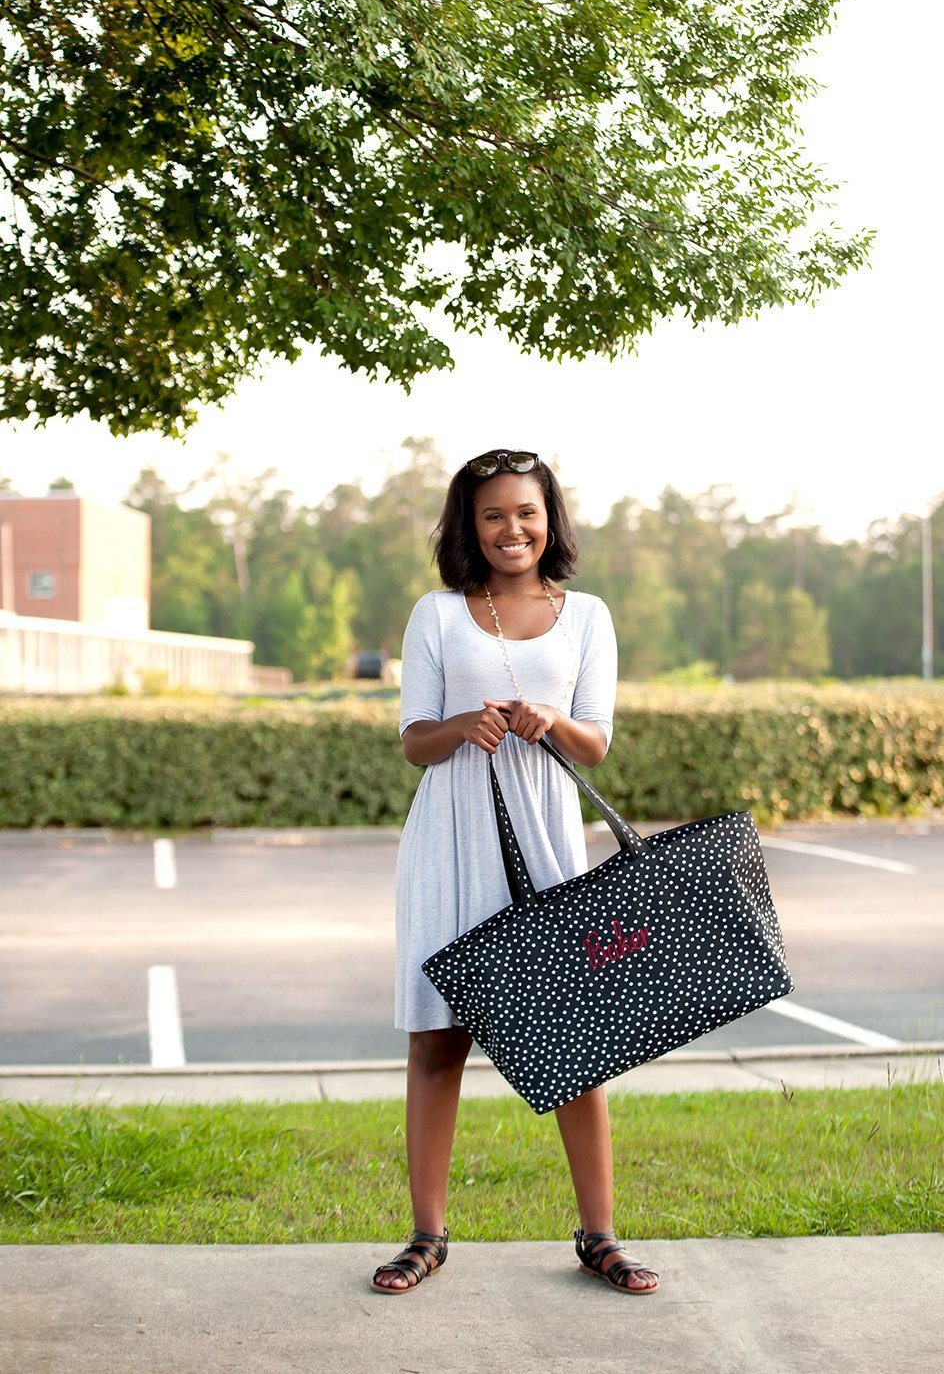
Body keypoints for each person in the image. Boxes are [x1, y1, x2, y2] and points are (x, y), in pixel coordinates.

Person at [371, 448, 659, 1297]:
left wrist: (549, 723)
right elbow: (412, 741)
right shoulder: (436, 613)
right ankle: (426, 1236)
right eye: (492, 514)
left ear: (550, 520)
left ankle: (600, 1237)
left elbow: (596, 741)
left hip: (545, 838)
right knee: (438, 1039)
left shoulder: (588, 616)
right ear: (469, 524)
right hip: (449, 839)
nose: (511, 529)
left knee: (574, 1041)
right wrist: (463, 724)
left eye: (526, 513)